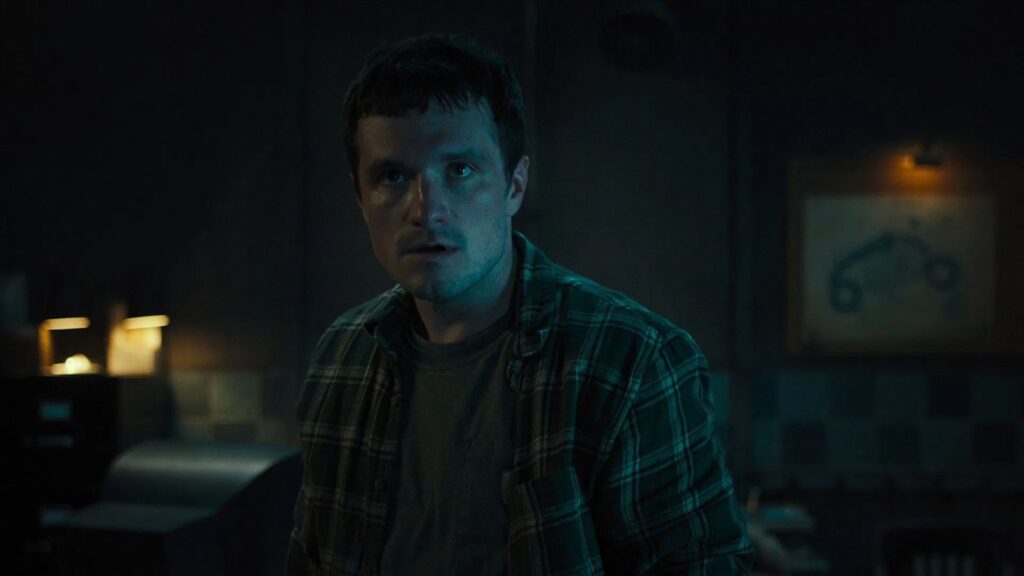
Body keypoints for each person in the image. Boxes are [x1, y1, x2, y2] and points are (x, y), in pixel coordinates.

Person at [287, 33, 754, 575]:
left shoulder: (631, 361)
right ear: (360, 196)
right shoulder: (341, 359)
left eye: (460, 170)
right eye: (393, 176)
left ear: (514, 186)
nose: (426, 209)